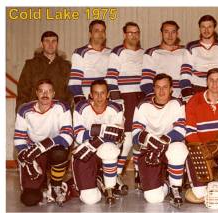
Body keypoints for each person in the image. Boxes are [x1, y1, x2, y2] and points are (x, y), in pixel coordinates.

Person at [14, 79, 73, 206]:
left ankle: (56, 185)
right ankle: (42, 185)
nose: (45, 94)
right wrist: (28, 157)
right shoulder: (24, 110)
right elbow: (19, 138)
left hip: (53, 150)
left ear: (53, 93)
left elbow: (68, 136)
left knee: (60, 153)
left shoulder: (62, 107)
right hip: (33, 153)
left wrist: (42, 146)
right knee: (29, 199)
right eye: (41, 91)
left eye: (48, 91)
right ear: (36, 93)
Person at [132, 73, 187, 207]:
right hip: (150, 150)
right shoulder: (142, 105)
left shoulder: (177, 103)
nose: (161, 91)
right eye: (158, 87)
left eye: (165, 87)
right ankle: (166, 184)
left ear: (171, 89)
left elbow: (181, 130)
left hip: (169, 146)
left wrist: (161, 141)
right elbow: (135, 135)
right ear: (153, 89)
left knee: (179, 148)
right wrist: (152, 142)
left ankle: (176, 187)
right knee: (153, 199)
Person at [183, 68, 218, 204]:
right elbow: (189, 133)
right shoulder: (194, 101)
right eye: (211, 80)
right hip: (201, 148)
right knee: (199, 196)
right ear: (206, 82)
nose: (214, 83)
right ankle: (194, 187)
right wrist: (203, 149)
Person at [105, 21, 145, 193]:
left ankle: (138, 174)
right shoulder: (117, 52)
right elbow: (111, 78)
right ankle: (116, 175)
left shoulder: (144, 53)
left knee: (140, 138)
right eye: (130, 33)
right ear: (124, 34)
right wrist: (117, 100)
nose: (133, 36)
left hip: (141, 97)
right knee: (127, 139)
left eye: (136, 32)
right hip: (125, 98)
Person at [71, 79, 125, 205]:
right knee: (90, 200)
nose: (99, 97)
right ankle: (97, 178)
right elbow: (78, 136)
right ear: (90, 95)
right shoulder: (80, 107)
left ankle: (109, 187)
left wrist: (93, 132)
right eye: (96, 93)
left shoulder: (116, 108)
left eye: (102, 93)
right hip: (84, 153)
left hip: (102, 149)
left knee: (110, 148)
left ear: (108, 94)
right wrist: (104, 130)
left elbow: (116, 137)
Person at [180, 15, 218, 102]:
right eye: (203, 27)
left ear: (214, 28)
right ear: (199, 28)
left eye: (209, 27)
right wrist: (187, 95)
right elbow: (185, 74)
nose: (206, 30)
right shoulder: (191, 47)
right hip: (197, 89)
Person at [16, 31, 72, 113]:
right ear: (41, 44)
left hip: (58, 113)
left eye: (54, 41)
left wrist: (68, 113)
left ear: (57, 44)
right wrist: (21, 113)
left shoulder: (66, 66)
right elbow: (23, 92)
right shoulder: (31, 65)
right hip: (35, 113)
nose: (50, 44)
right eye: (47, 41)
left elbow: (70, 93)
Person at [68, 20, 111, 104]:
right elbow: (74, 83)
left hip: (106, 102)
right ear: (90, 34)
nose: (100, 34)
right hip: (88, 102)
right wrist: (82, 104)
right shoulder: (80, 53)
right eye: (97, 31)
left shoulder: (110, 53)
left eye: (103, 31)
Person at [140, 21, 185, 99]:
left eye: (173, 32)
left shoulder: (185, 51)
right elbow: (146, 81)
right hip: (160, 98)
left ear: (177, 34)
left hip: (183, 98)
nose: (170, 36)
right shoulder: (151, 53)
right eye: (166, 32)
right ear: (161, 34)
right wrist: (156, 99)